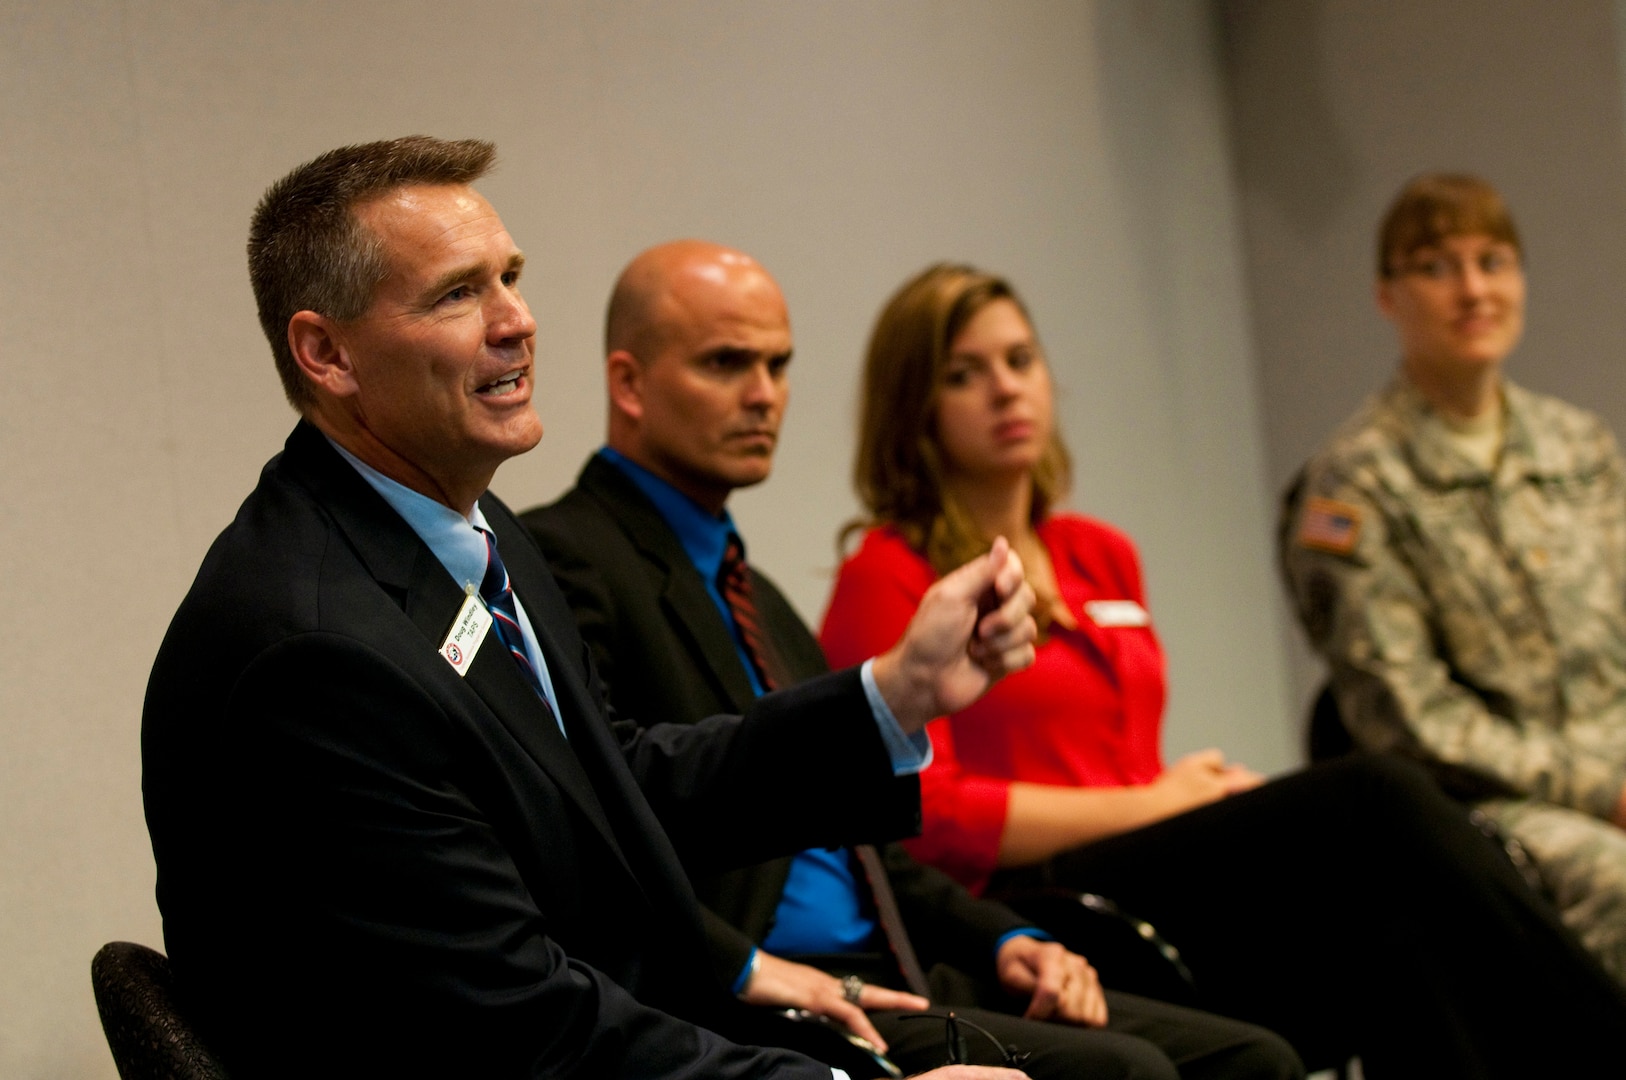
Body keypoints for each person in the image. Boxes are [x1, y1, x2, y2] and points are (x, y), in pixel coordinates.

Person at [140, 137, 1043, 1080]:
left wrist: (896, 695)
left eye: (512, 278)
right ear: (326, 353)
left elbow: (621, 789)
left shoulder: (467, 530)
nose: (518, 322)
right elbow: (518, 1029)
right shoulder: (315, 652)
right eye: (458, 293)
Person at [819, 261, 1626, 1077]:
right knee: (1376, 798)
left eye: (1020, 361)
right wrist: (1154, 803)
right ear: (916, 406)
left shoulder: (1097, 553)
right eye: (965, 375)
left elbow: (1118, 755)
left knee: (1391, 923)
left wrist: (1186, 792)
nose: (1005, 390)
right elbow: (924, 815)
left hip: (1142, 853)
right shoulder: (888, 573)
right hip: (1028, 900)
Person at [521, 239, 1303, 1080]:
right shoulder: (566, 557)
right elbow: (590, 829)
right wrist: (740, 966)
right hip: (756, 988)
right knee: (1127, 1072)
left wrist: (1006, 935)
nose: (764, 395)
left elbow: (870, 850)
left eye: (779, 365)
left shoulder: (762, 597)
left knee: (1253, 1058)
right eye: (726, 363)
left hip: (897, 963)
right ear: (629, 383)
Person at [1280, 172, 1626, 983]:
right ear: (1387, 296)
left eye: (1493, 261)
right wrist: (1603, 791)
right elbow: (1406, 717)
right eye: (1437, 267)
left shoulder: (1579, 447)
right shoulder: (1353, 484)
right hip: (1490, 810)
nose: (1473, 290)